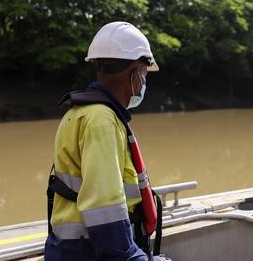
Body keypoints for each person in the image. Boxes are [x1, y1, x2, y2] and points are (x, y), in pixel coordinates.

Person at [45, 21, 170, 261]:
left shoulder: (83, 111)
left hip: (78, 247)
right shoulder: (102, 120)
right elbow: (104, 208)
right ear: (135, 72)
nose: (144, 82)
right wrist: (133, 258)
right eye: (144, 74)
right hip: (90, 251)